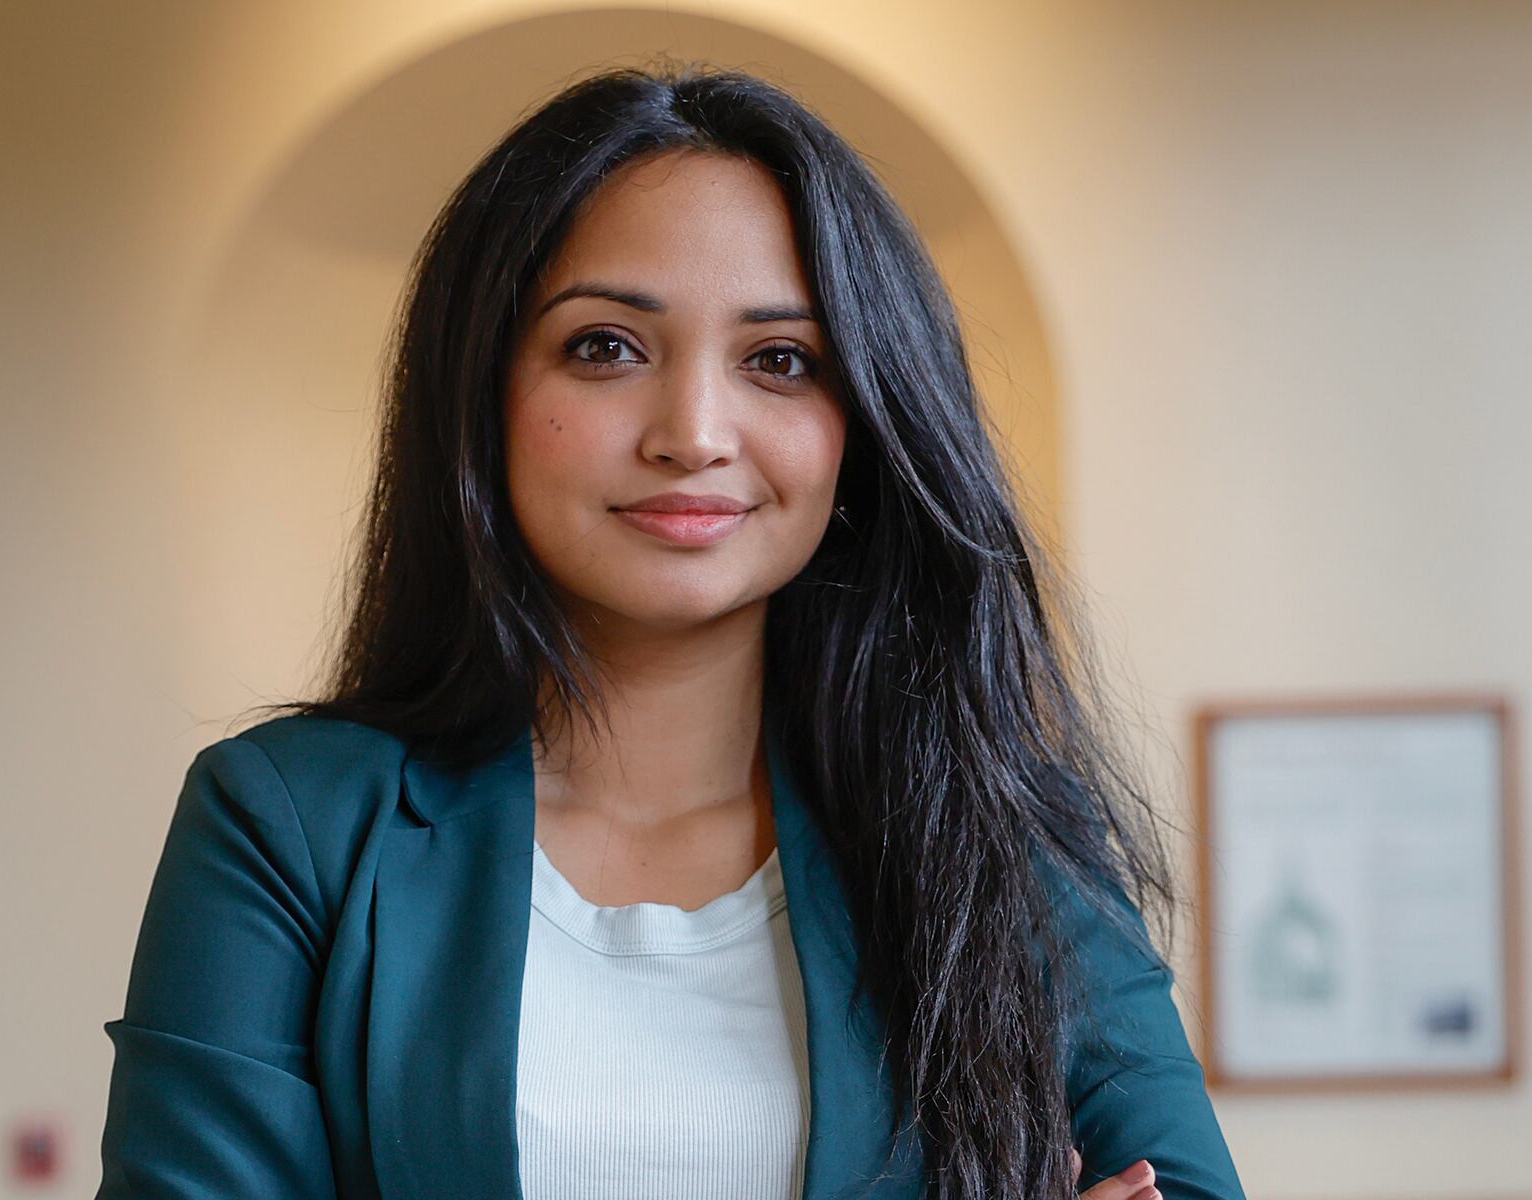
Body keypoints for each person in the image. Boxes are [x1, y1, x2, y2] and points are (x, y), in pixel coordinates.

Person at [94, 63, 1247, 1200]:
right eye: (605, 346)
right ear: (482, 393)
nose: (692, 432)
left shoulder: (1002, 835)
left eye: (780, 361)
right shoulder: (289, 827)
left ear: (863, 427)